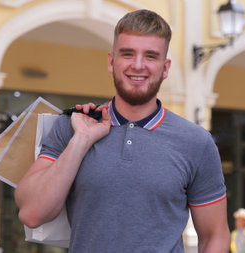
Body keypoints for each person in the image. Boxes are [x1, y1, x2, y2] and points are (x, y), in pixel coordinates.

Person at [15, 9, 230, 252]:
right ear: (111, 61)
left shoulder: (196, 142)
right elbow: (32, 213)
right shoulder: (72, 126)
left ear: (165, 67)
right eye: (128, 54)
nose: (138, 66)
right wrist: (81, 140)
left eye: (150, 56)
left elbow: (215, 236)